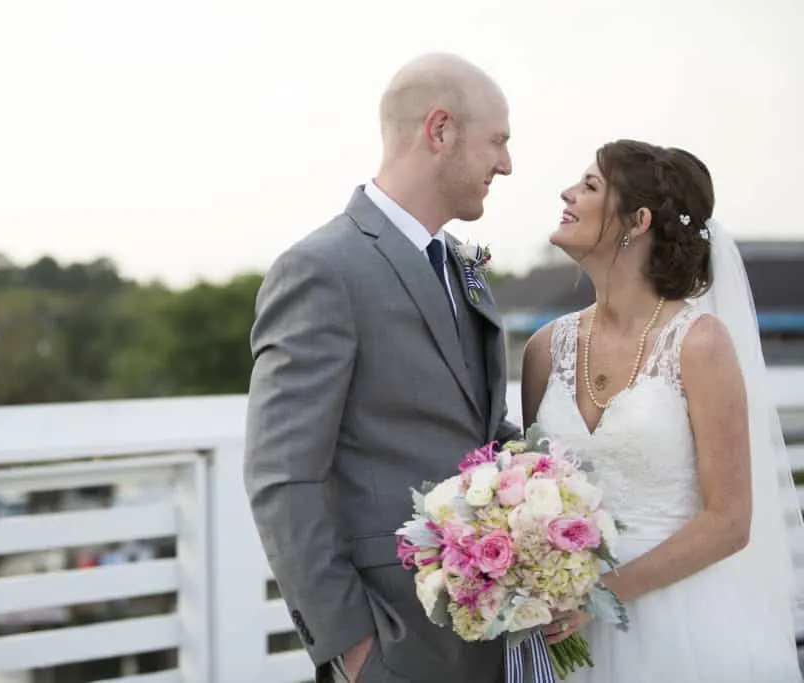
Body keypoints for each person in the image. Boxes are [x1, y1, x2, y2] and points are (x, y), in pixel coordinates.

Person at [244, 52, 520, 683]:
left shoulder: (462, 264)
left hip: (485, 632)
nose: (506, 164)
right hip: (391, 639)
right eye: (497, 142)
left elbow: (480, 430)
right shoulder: (321, 269)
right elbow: (281, 474)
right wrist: (352, 647)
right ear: (440, 130)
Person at [522, 139, 803, 681]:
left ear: (638, 221)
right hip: (563, 629)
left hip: (679, 625)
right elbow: (531, 488)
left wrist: (600, 594)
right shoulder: (543, 349)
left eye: (590, 185)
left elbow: (729, 522)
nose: (567, 193)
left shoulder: (699, 344)